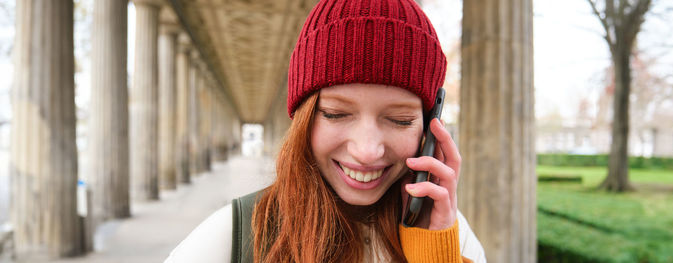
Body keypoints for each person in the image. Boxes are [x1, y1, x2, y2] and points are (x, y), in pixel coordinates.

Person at [165, 0, 485, 262]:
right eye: (336, 114)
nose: (366, 150)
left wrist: (435, 254)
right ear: (302, 120)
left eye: (400, 120)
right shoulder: (232, 238)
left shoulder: (453, 238)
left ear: (431, 129)